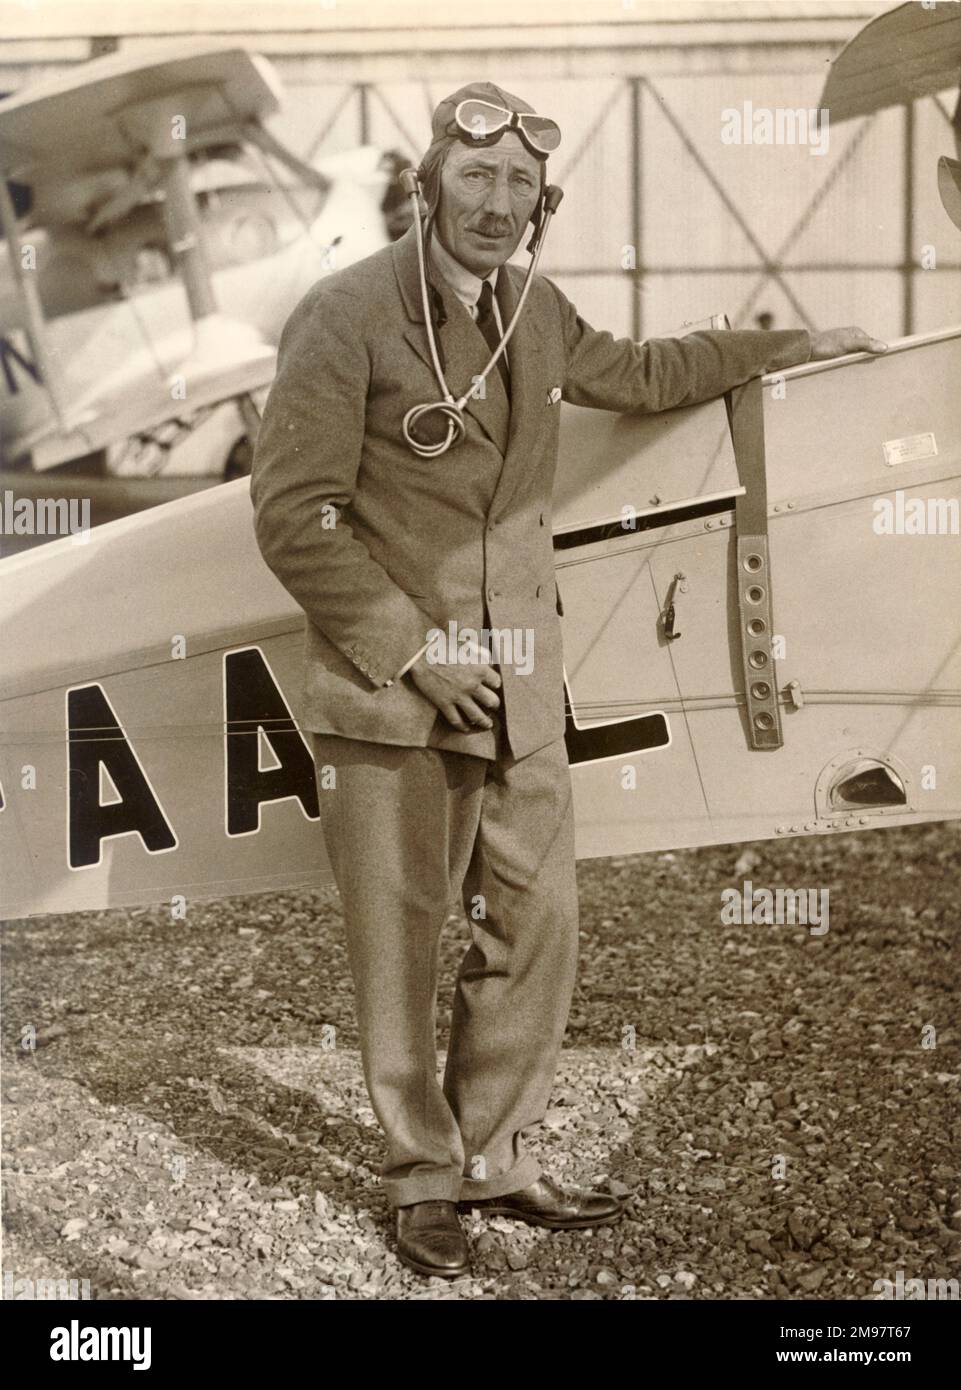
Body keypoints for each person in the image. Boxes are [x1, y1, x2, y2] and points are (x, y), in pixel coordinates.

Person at [250, 81, 886, 1280]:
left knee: (534, 925)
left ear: (545, 205)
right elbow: (296, 515)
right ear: (432, 183)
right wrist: (413, 646)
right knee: (402, 936)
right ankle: (422, 1175)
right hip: (394, 690)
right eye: (478, 178)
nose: (498, 205)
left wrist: (791, 346)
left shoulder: (532, 312)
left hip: (525, 687)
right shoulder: (342, 317)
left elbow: (644, 370)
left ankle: (496, 1154)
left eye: (521, 188)